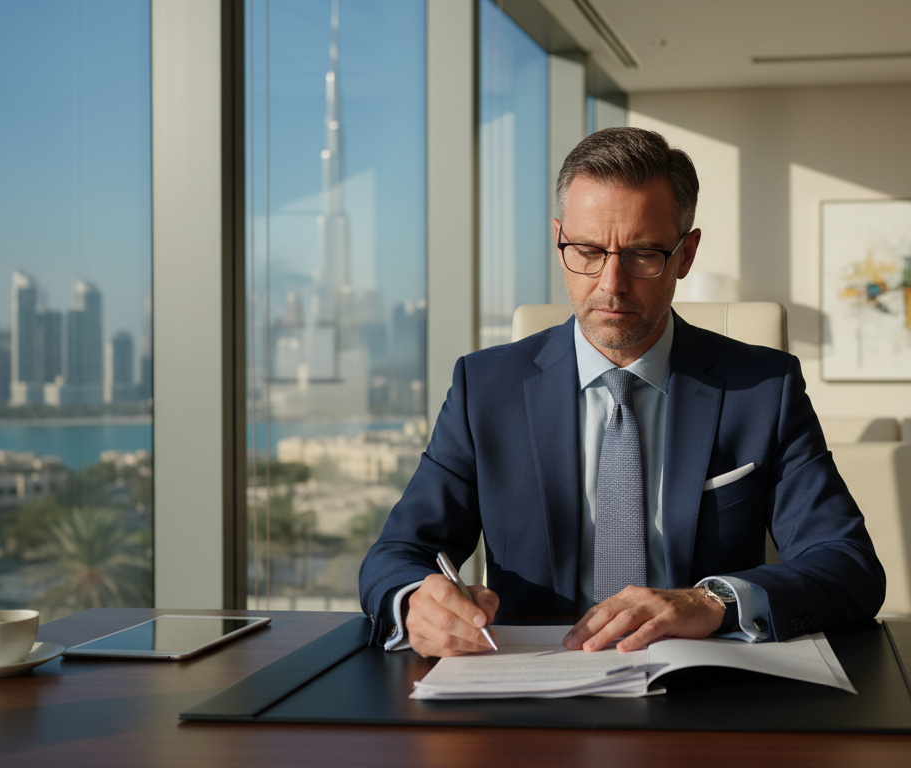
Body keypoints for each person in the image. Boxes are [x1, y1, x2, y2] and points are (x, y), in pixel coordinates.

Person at [358, 127, 883, 657]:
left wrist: (712, 601)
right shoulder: (486, 389)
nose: (611, 283)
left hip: (704, 687)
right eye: (586, 251)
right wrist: (412, 604)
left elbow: (848, 563)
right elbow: (397, 555)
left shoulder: (764, 389)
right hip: (531, 684)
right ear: (559, 238)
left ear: (686, 253)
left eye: (642, 254)